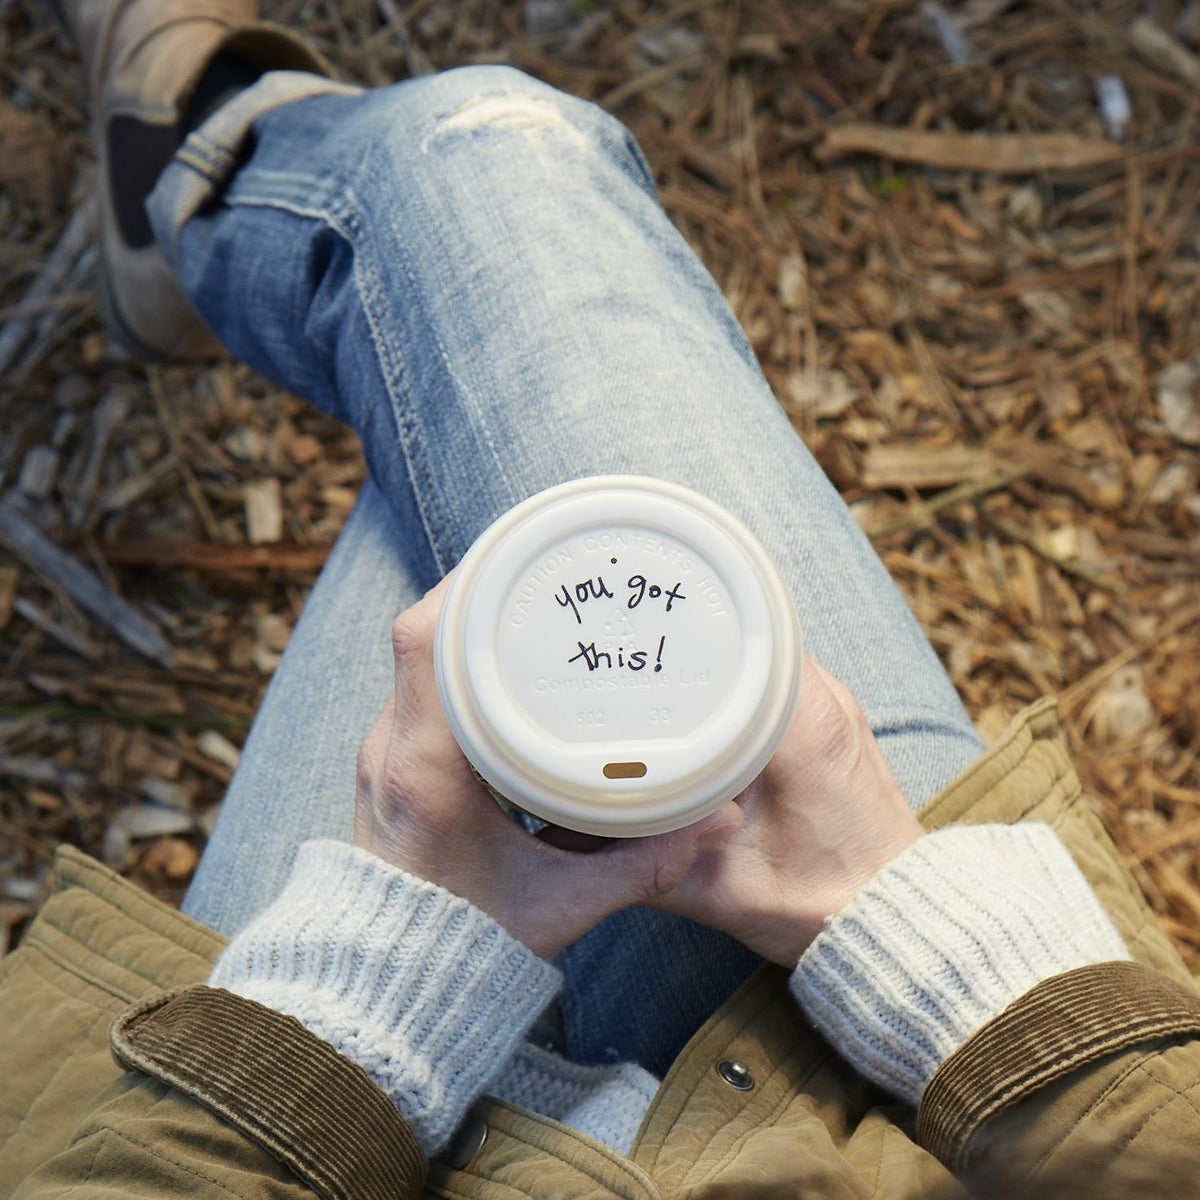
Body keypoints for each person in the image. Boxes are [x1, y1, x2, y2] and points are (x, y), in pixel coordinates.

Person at [5, 2, 1200, 1196]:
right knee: (465, 449)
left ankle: (197, 155)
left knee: (485, 158)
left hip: (297, 1137)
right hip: (902, 1113)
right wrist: (979, 989)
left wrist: (356, 1001)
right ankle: (197, 169)